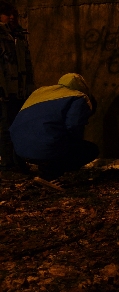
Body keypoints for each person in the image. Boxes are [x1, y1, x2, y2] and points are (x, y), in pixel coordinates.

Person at [9, 73, 99, 190]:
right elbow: (74, 125)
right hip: (47, 149)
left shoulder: (39, 93)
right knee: (90, 150)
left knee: (47, 142)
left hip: (19, 151)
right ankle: (50, 175)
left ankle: (36, 169)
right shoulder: (80, 97)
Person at [0, 0, 35, 179]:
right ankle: (7, 164)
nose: (12, 17)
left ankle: (18, 162)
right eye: (7, 14)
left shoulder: (20, 36)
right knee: (6, 127)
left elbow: (27, 66)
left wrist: (30, 89)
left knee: (19, 126)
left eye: (14, 14)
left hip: (20, 91)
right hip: (5, 92)